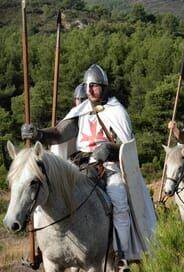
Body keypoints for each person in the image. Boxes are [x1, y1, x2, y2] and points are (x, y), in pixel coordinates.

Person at [22, 64, 156, 270]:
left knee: (119, 200)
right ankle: (43, 247)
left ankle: (120, 254)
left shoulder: (117, 111)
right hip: (80, 165)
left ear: (104, 87)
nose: (90, 90)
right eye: (88, 86)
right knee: (46, 198)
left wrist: (110, 149)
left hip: (109, 167)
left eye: (95, 86)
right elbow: (60, 133)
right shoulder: (81, 111)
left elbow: (126, 146)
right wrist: (39, 133)